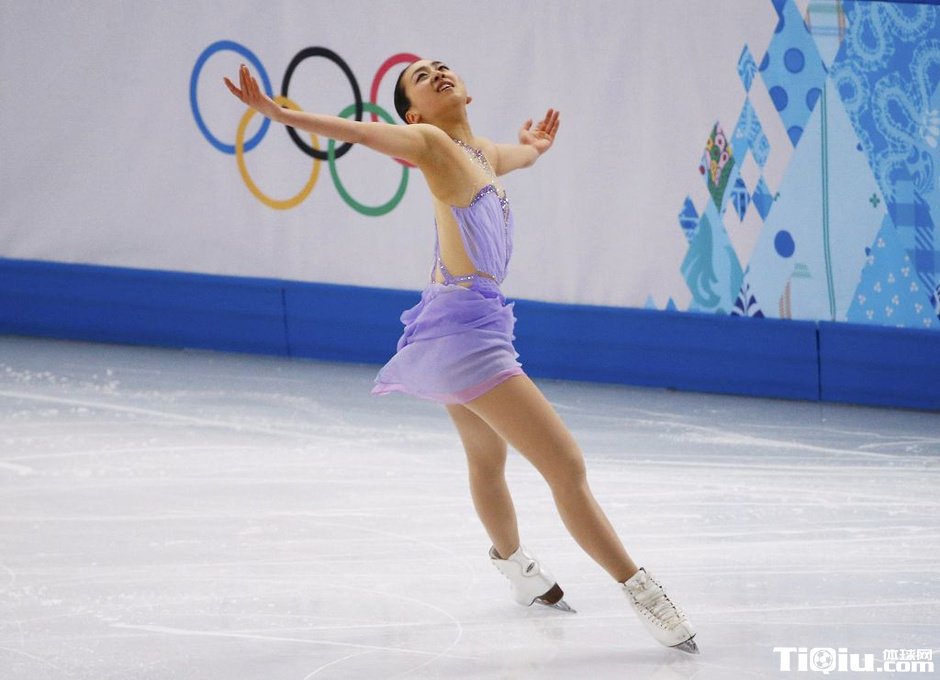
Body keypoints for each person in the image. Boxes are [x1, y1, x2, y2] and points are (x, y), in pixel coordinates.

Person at [224, 59, 698, 654]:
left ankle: (517, 568)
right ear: (414, 114)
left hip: (462, 322)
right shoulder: (430, 143)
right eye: (421, 78)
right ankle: (642, 592)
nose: (437, 73)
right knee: (566, 466)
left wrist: (534, 147)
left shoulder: (484, 154)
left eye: (442, 67)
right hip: (467, 339)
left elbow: (518, 157)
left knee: (486, 457)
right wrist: (278, 114)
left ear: (467, 92)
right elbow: (361, 133)